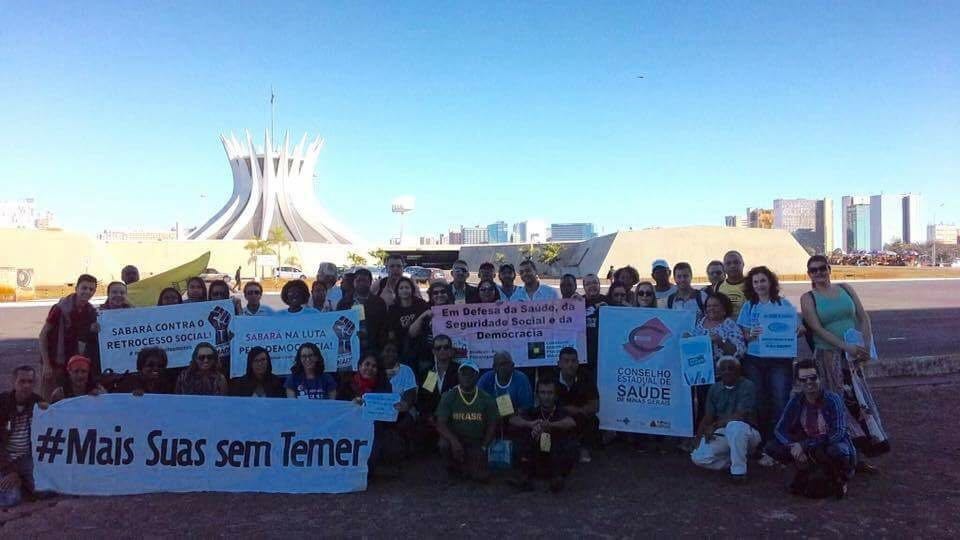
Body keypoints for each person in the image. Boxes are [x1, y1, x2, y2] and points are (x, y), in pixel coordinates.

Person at [800, 255, 889, 458]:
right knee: (839, 403)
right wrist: (845, 347)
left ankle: (865, 448)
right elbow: (816, 328)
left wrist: (866, 343)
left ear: (829, 269)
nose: (819, 273)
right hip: (828, 356)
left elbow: (862, 316)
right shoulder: (808, 298)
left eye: (822, 268)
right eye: (813, 270)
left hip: (852, 357)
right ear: (809, 274)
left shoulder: (846, 289)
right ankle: (847, 452)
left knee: (859, 400)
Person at [765, 359, 857, 499]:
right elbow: (779, 429)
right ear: (798, 382)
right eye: (803, 379)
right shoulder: (796, 400)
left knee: (836, 450)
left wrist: (805, 445)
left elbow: (838, 433)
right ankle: (804, 468)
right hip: (806, 446)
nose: (809, 382)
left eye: (813, 378)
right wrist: (794, 447)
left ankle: (841, 477)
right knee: (772, 447)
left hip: (827, 445)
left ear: (820, 378)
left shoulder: (833, 399)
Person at [737, 266, 798, 447]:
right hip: (755, 359)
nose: (759, 285)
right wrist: (752, 334)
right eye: (755, 282)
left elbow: (798, 328)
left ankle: (781, 440)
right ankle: (763, 440)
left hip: (779, 359)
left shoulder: (784, 305)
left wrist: (795, 331)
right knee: (759, 399)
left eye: (763, 280)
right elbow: (745, 336)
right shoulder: (749, 306)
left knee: (780, 398)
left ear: (770, 282)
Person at [690, 356, 760, 483]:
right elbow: (708, 416)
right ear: (719, 372)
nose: (727, 372)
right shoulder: (714, 388)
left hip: (747, 432)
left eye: (731, 368)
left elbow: (740, 416)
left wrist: (715, 425)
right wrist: (697, 438)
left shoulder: (747, 386)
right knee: (697, 457)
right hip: (723, 433)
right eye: (723, 369)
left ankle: (739, 473)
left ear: (738, 371)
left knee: (735, 425)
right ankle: (736, 459)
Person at [510, 377, 580, 492]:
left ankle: (556, 478)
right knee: (523, 434)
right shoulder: (533, 411)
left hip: (556, 460)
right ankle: (525, 477)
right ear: (537, 395)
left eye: (550, 393)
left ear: (555, 395)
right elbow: (513, 420)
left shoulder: (561, 411)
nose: (546, 397)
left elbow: (571, 422)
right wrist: (530, 424)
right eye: (543, 393)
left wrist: (549, 426)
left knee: (563, 438)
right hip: (537, 458)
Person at [339, 354, 404, 477]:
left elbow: (387, 417)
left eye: (374, 366)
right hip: (349, 429)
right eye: (367, 364)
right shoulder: (347, 385)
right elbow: (338, 409)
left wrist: (395, 409)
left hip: (375, 429)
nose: (370, 368)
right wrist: (351, 405)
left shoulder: (384, 386)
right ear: (359, 366)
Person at [435, 359, 498, 482]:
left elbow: (492, 425)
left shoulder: (486, 398)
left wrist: (484, 447)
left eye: (471, 374)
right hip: (456, 440)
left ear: (477, 376)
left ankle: (468, 466)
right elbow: (440, 423)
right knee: (443, 444)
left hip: (476, 441)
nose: (467, 377)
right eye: (463, 374)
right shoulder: (449, 396)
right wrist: (454, 441)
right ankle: (452, 468)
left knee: (480, 477)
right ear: (458, 376)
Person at [38, 273, 99, 399]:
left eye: (91, 289)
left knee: (69, 400)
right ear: (76, 288)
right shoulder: (60, 309)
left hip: (74, 366)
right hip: (55, 362)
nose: (87, 292)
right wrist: (46, 364)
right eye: (84, 288)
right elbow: (43, 335)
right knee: (47, 400)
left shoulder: (91, 311)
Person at [0, 366, 48, 507]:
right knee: (10, 500)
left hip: (26, 459)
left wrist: (50, 409)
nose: (26, 385)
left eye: (30, 381)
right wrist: (10, 471)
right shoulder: (2, 403)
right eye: (22, 381)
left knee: (46, 491)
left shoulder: (38, 402)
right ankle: (14, 481)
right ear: (13, 382)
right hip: (4, 459)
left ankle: (21, 481)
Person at [414, 334, 460, 450]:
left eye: (446, 347)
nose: (442, 350)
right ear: (434, 351)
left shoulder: (460, 371)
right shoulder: (428, 372)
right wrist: (429, 415)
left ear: (451, 350)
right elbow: (422, 398)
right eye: (438, 348)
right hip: (432, 418)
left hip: (453, 418)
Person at [555, 347, 599, 464]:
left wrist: (576, 410)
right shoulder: (551, 379)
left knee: (593, 420)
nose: (570, 365)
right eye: (566, 361)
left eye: (574, 361)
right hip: (558, 416)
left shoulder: (586, 378)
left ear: (578, 363)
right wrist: (568, 409)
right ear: (559, 364)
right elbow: (545, 403)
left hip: (579, 416)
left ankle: (584, 449)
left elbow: (595, 407)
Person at [337, 268, 388, 355]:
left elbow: (383, 326)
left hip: (373, 347)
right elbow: (338, 325)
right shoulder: (343, 303)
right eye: (358, 280)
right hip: (349, 348)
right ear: (354, 282)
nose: (361, 283)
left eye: (364, 280)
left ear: (370, 282)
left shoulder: (379, 302)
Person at [409, 282, 454, 373]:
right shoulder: (424, 309)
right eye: (435, 293)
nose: (439, 295)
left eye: (443, 292)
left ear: (448, 294)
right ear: (431, 296)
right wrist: (423, 316)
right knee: (429, 386)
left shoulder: (457, 311)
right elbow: (412, 333)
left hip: (452, 359)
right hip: (428, 359)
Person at [477, 351, 534, 418]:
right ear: (494, 367)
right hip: (491, 417)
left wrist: (505, 415)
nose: (506, 367)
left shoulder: (521, 378)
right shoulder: (486, 378)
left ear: (513, 365)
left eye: (508, 364)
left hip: (515, 419)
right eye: (502, 364)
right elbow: (477, 401)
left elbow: (525, 408)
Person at [386, 277, 429, 365]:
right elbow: (393, 333)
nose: (404, 290)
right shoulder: (393, 309)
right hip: (402, 350)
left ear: (412, 289)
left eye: (407, 287)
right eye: (401, 288)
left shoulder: (421, 304)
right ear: (397, 291)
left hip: (422, 348)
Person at [692, 293, 746, 361]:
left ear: (724, 308)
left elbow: (740, 352)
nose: (711, 308)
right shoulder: (700, 322)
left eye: (715, 306)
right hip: (700, 367)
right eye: (709, 306)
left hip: (722, 369)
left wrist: (721, 342)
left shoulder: (730, 325)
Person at [582, 274, 606, 375]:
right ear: (584, 287)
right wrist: (593, 307)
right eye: (588, 284)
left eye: (595, 283)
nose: (592, 286)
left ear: (599, 284)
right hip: (584, 356)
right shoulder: (577, 302)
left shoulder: (608, 301)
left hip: (603, 354)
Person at [716, 251, 747, 317]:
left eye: (736, 262)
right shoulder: (718, 286)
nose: (732, 266)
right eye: (728, 263)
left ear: (743, 264)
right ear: (724, 267)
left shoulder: (753, 284)